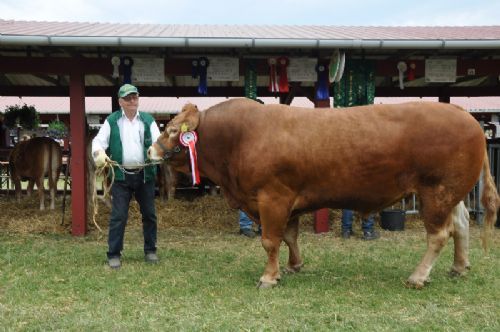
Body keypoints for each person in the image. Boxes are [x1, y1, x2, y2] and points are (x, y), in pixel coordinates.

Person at [92, 83, 161, 269]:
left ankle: (150, 250)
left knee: (149, 214)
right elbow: (98, 142)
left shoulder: (148, 120)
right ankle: (114, 254)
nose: (132, 101)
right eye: (128, 98)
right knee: (118, 216)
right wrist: (99, 153)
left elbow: (158, 141)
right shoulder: (111, 121)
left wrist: (156, 150)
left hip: (144, 175)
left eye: (135, 97)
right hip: (121, 176)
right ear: (120, 101)